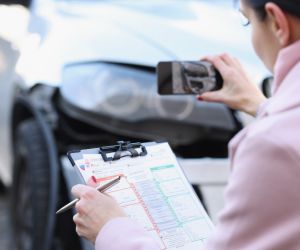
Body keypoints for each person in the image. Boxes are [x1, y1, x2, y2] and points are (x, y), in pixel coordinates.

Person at [71, 0, 300, 249]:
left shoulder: (270, 145)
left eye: (247, 21)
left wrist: (110, 228)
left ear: (277, 22)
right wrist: (261, 106)